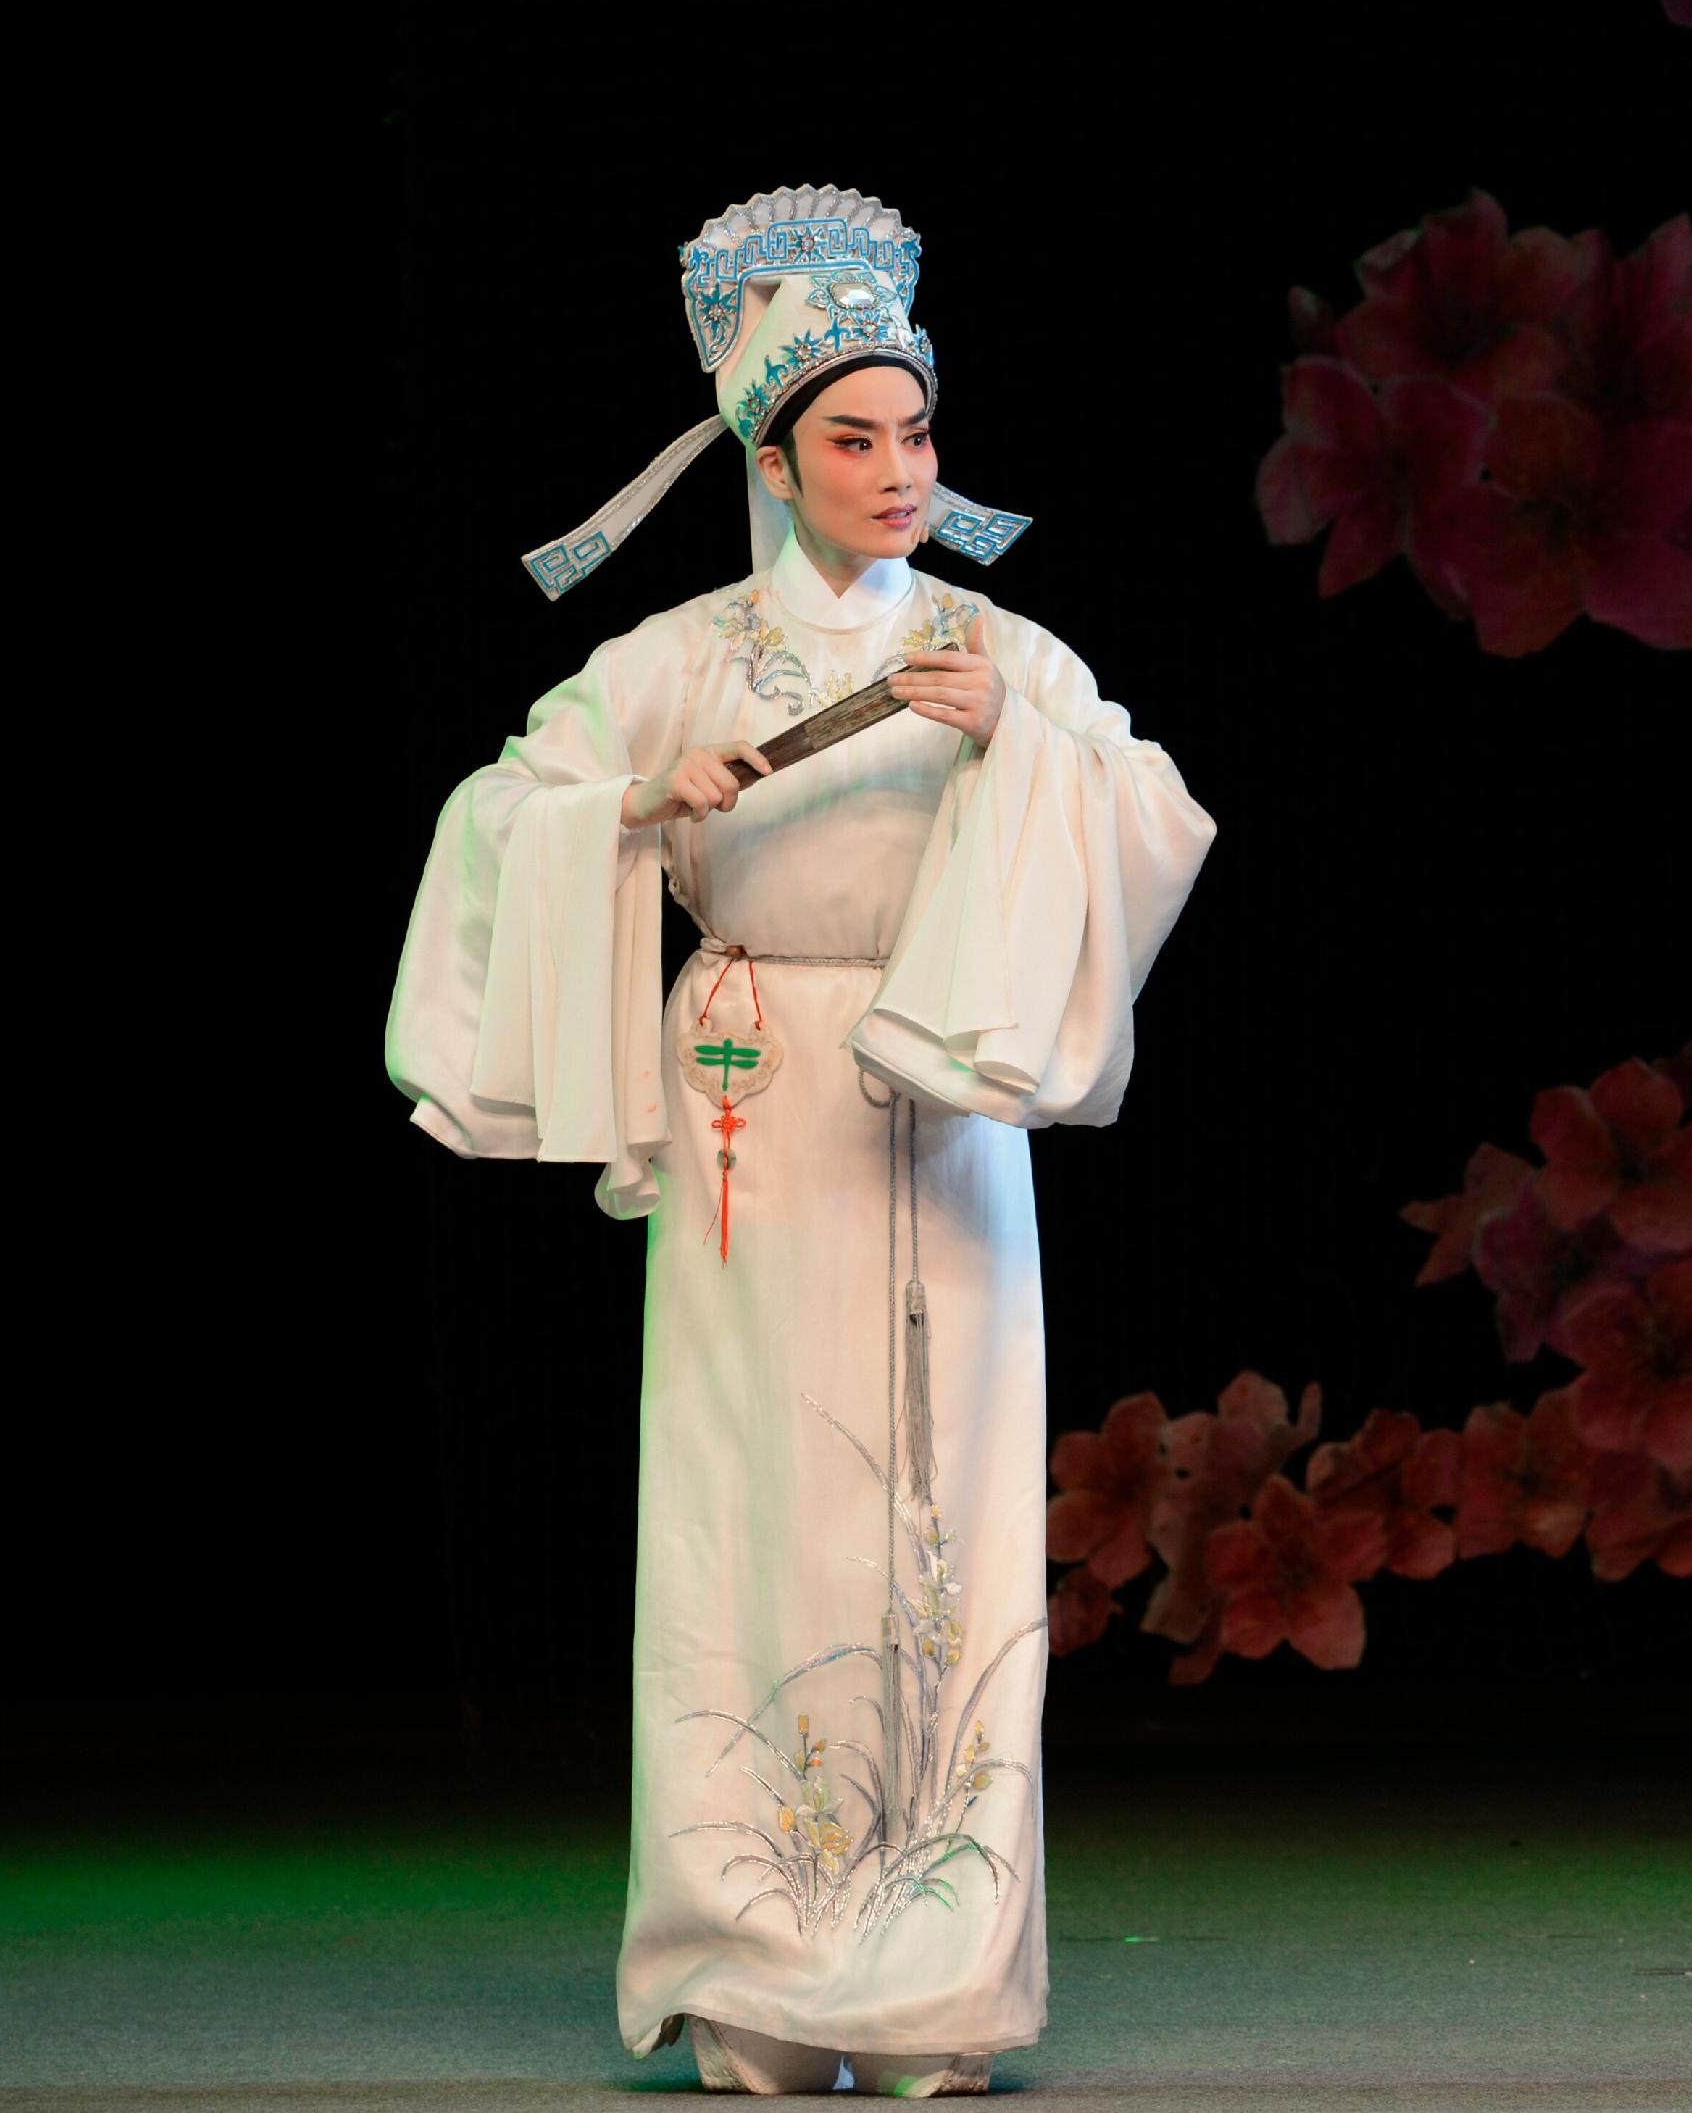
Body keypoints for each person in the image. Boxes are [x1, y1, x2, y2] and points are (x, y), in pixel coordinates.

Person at [386, 187, 1216, 2097]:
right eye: (855, 438)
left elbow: (1149, 809)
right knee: (753, 1509)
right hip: (756, 1083)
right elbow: (503, 806)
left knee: (945, 1510)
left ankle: (930, 1975)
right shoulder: (676, 655)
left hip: (934, 1102)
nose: (900, 468)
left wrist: (1021, 739)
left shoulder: (996, 647)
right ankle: (756, 1966)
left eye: (916, 431)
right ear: (773, 459)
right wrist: (621, 808)